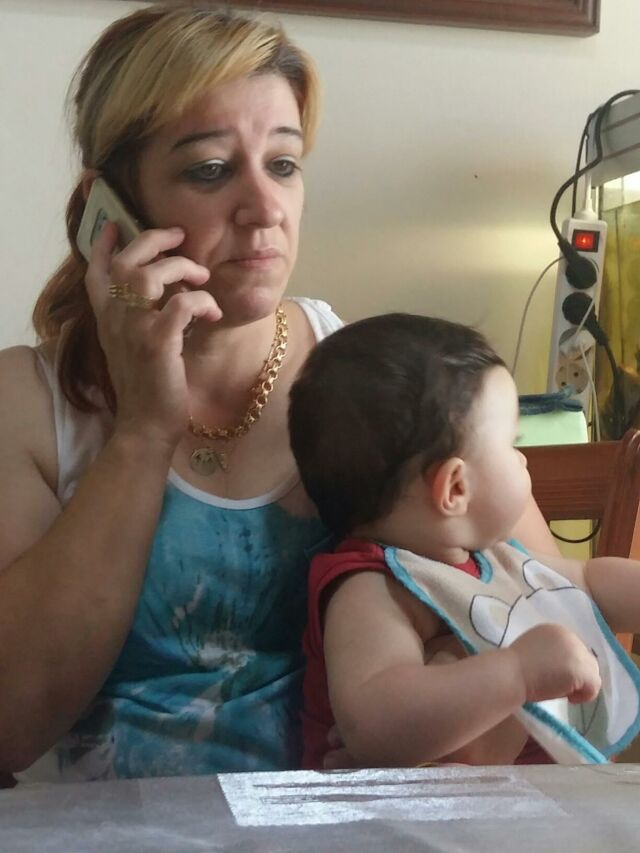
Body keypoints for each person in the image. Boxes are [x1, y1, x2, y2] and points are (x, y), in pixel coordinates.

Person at [0, 6, 557, 783]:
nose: (265, 209)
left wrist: (440, 699)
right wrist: (143, 431)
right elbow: (11, 723)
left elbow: (548, 607)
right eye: (210, 169)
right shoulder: (28, 402)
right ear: (110, 209)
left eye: (284, 163)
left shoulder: (376, 380)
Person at [288, 313, 640, 770]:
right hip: (409, 814)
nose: (523, 461)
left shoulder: (490, 557)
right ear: (455, 488)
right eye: (513, 444)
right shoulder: (373, 587)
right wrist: (517, 672)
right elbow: (374, 719)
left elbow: (587, 582)